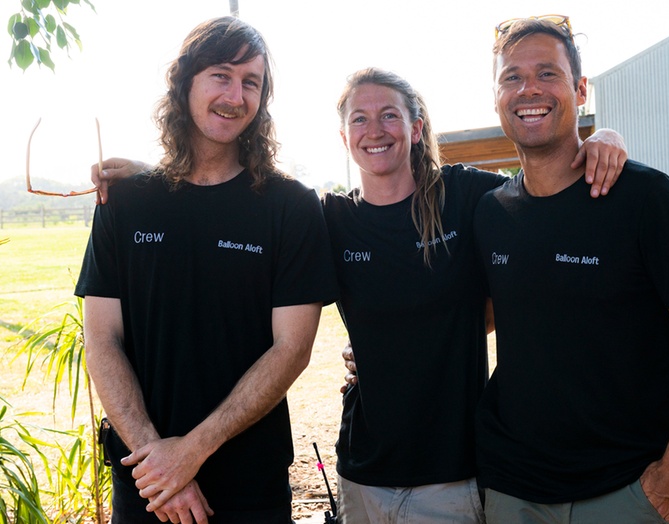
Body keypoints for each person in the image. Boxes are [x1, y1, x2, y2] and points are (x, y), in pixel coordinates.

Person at [92, 72, 627, 524]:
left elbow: (541, 184)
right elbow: (234, 203)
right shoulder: (331, 220)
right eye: (360, 119)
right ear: (344, 136)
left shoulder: (465, 197)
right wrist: (151, 181)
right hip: (363, 471)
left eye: (390, 115)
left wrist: (602, 136)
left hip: (457, 471)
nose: (376, 130)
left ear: (416, 128)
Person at [75, 16, 338, 524]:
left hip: (249, 485)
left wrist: (189, 453)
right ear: (185, 83)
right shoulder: (125, 201)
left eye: (251, 82)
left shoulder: (289, 206)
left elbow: (292, 349)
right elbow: (101, 339)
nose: (235, 95)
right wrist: (158, 460)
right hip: (145, 482)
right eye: (221, 74)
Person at [472, 15, 669, 524]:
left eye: (548, 73)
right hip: (511, 488)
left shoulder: (645, 199)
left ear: (580, 89)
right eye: (512, 77)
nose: (529, 89)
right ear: (497, 95)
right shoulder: (489, 211)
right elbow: (477, 316)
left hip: (625, 491)